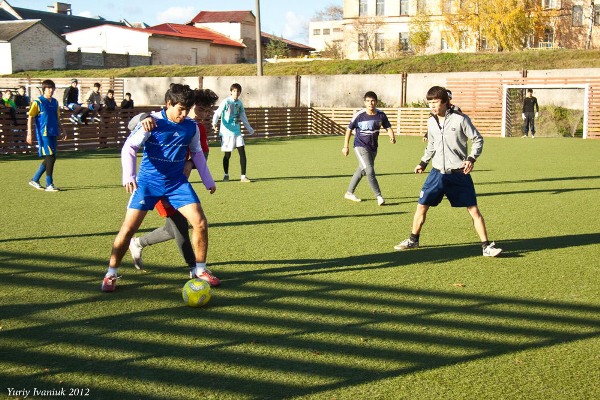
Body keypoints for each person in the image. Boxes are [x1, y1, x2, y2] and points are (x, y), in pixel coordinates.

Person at [101, 83, 217, 292]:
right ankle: (111, 274)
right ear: (168, 103)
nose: (183, 114)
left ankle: (200, 269)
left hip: (176, 184)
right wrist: (129, 175)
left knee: (199, 222)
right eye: (180, 109)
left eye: (186, 109)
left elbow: (198, 153)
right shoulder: (151, 122)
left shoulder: (191, 126)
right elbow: (129, 147)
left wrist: (208, 180)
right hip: (148, 183)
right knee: (128, 230)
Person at [394, 86, 502, 257]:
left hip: (459, 173)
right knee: (421, 206)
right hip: (436, 173)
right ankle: (413, 240)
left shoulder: (461, 119)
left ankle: (486, 246)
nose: (432, 106)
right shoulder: (431, 121)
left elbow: (477, 139)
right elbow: (431, 145)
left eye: (435, 102)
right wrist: (423, 162)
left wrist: (471, 158)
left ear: (445, 102)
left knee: (473, 210)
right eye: (429, 103)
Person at [127, 88, 219, 275]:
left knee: (173, 228)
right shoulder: (163, 119)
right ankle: (195, 268)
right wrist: (144, 115)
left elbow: (203, 154)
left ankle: (137, 243)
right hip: (158, 181)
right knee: (180, 226)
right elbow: (132, 125)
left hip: (178, 184)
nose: (204, 115)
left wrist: (190, 162)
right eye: (200, 109)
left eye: (207, 111)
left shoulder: (196, 128)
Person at [342, 91, 396, 206]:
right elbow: (349, 130)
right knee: (370, 170)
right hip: (360, 146)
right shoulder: (359, 115)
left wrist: (392, 137)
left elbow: (388, 127)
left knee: (362, 170)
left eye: (372, 101)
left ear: (376, 102)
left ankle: (349, 193)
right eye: (367, 101)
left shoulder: (381, 115)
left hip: (373, 148)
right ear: (364, 102)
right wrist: (345, 146)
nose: (370, 103)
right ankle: (379, 196)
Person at [26, 79, 65, 192]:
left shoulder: (55, 102)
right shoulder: (38, 102)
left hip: (53, 132)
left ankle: (35, 179)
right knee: (51, 157)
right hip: (44, 134)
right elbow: (30, 117)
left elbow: (57, 118)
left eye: (52, 88)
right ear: (44, 89)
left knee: (50, 158)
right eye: (48, 88)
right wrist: (29, 133)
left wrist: (63, 130)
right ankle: (49, 184)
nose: (51, 90)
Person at [212, 83, 255, 182]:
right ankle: (226, 174)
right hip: (226, 133)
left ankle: (243, 176)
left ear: (240, 93)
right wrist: (214, 123)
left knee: (242, 153)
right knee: (227, 155)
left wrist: (250, 129)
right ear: (231, 91)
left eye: (238, 91)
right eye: (234, 91)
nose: (236, 93)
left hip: (237, 132)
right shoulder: (226, 102)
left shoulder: (239, 103)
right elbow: (218, 113)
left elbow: (243, 117)